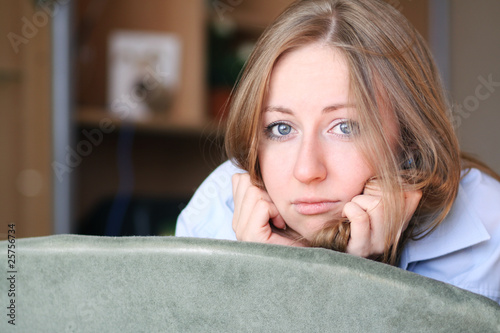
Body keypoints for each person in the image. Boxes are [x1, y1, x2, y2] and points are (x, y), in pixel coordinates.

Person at [176, 0, 500, 304]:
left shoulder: (488, 226)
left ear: (408, 138)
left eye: (345, 127)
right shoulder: (215, 213)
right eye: (281, 128)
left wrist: (363, 279)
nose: (306, 170)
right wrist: (269, 278)